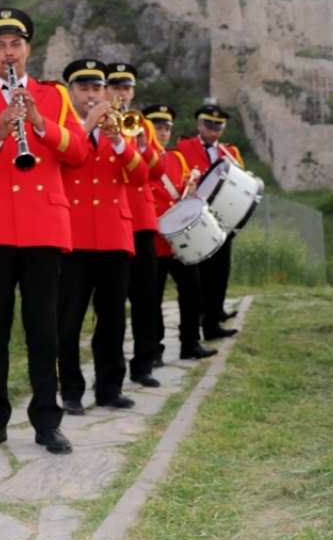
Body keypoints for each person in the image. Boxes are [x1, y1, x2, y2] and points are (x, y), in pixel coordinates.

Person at [0, 8, 88, 456]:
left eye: (15, 45)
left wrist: (39, 124)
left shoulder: (52, 95)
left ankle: (46, 422)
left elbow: (80, 153)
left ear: (28, 49)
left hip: (42, 228)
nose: (8, 53)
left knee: (43, 331)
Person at [57, 59, 148, 415]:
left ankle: (110, 388)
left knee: (112, 319)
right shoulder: (64, 128)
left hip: (113, 235)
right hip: (74, 237)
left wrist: (120, 142)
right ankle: (71, 391)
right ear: (73, 93)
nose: (91, 94)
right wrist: (84, 127)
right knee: (68, 320)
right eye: (84, 88)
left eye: (97, 88)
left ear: (105, 92)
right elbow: (63, 159)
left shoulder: (121, 130)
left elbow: (140, 178)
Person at [104, 63, 165, 387]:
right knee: (111, 302)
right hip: (110, 217)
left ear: (133, 91)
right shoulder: (100, 121)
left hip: (139, 219)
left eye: (126, 87)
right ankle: (110, 371)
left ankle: (144, 364)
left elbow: (157, 169)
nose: (121, 92)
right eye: (115, 87)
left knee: (145, 297)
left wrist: (141, 144)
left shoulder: (142, 124)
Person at [145, 105, 217, 362]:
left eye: (166, 129)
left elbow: (186, 189)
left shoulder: (176, 158)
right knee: (153, 296)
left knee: (191, 290)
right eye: (157, 128)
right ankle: (154, 347)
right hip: (154, 238)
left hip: (179, 241)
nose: (162, 133)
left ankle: (190, 342)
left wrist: (192, 188)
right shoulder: (140, 155)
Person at [174, 103, 243, 340]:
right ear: (199, 124)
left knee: (219, 273)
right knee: (199, 275)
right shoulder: (183, 146)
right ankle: (199, 319)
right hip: (197, 219)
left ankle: (213, 322)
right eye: (209, 126)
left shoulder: (230, 152)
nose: (214, 132)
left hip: (222, 219)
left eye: (218, 127)